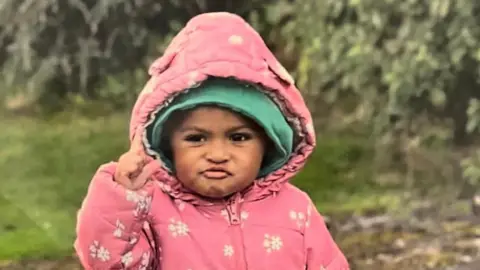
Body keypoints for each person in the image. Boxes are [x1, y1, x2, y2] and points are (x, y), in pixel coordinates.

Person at [74, 11, 350, 270]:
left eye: (238, 137)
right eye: (196, 138)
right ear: (166, 144)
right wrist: (121, 199)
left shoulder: (295, 210)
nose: (217, 154)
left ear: (269, 142)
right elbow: (109, 263)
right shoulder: (150, 210)